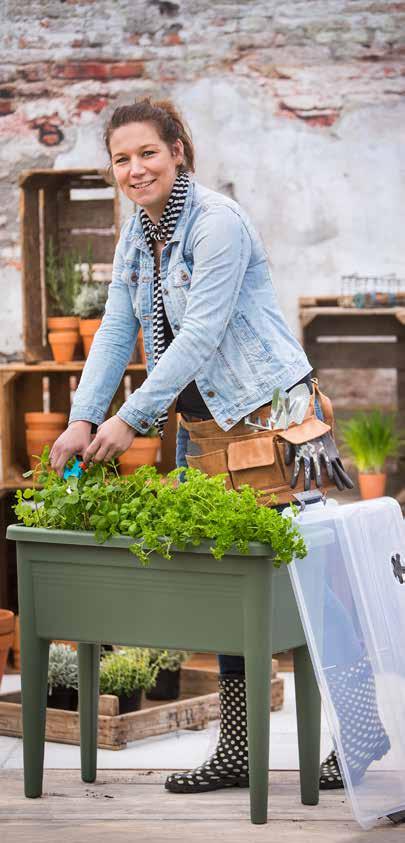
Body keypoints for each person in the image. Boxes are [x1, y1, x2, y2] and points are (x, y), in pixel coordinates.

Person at [50, 97, 364, 794]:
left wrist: (128, 419)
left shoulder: (215, 225)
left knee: (306, 583)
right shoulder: (139, 232)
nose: (135, 169)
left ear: (179, 151)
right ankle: (236, 749)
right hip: (205, 428)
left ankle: (362, 733)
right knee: (226, 586)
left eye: (148, 153)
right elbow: (113, 326)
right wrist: (81, 416)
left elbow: (199, 335)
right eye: (122, 158)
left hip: (272, 421)